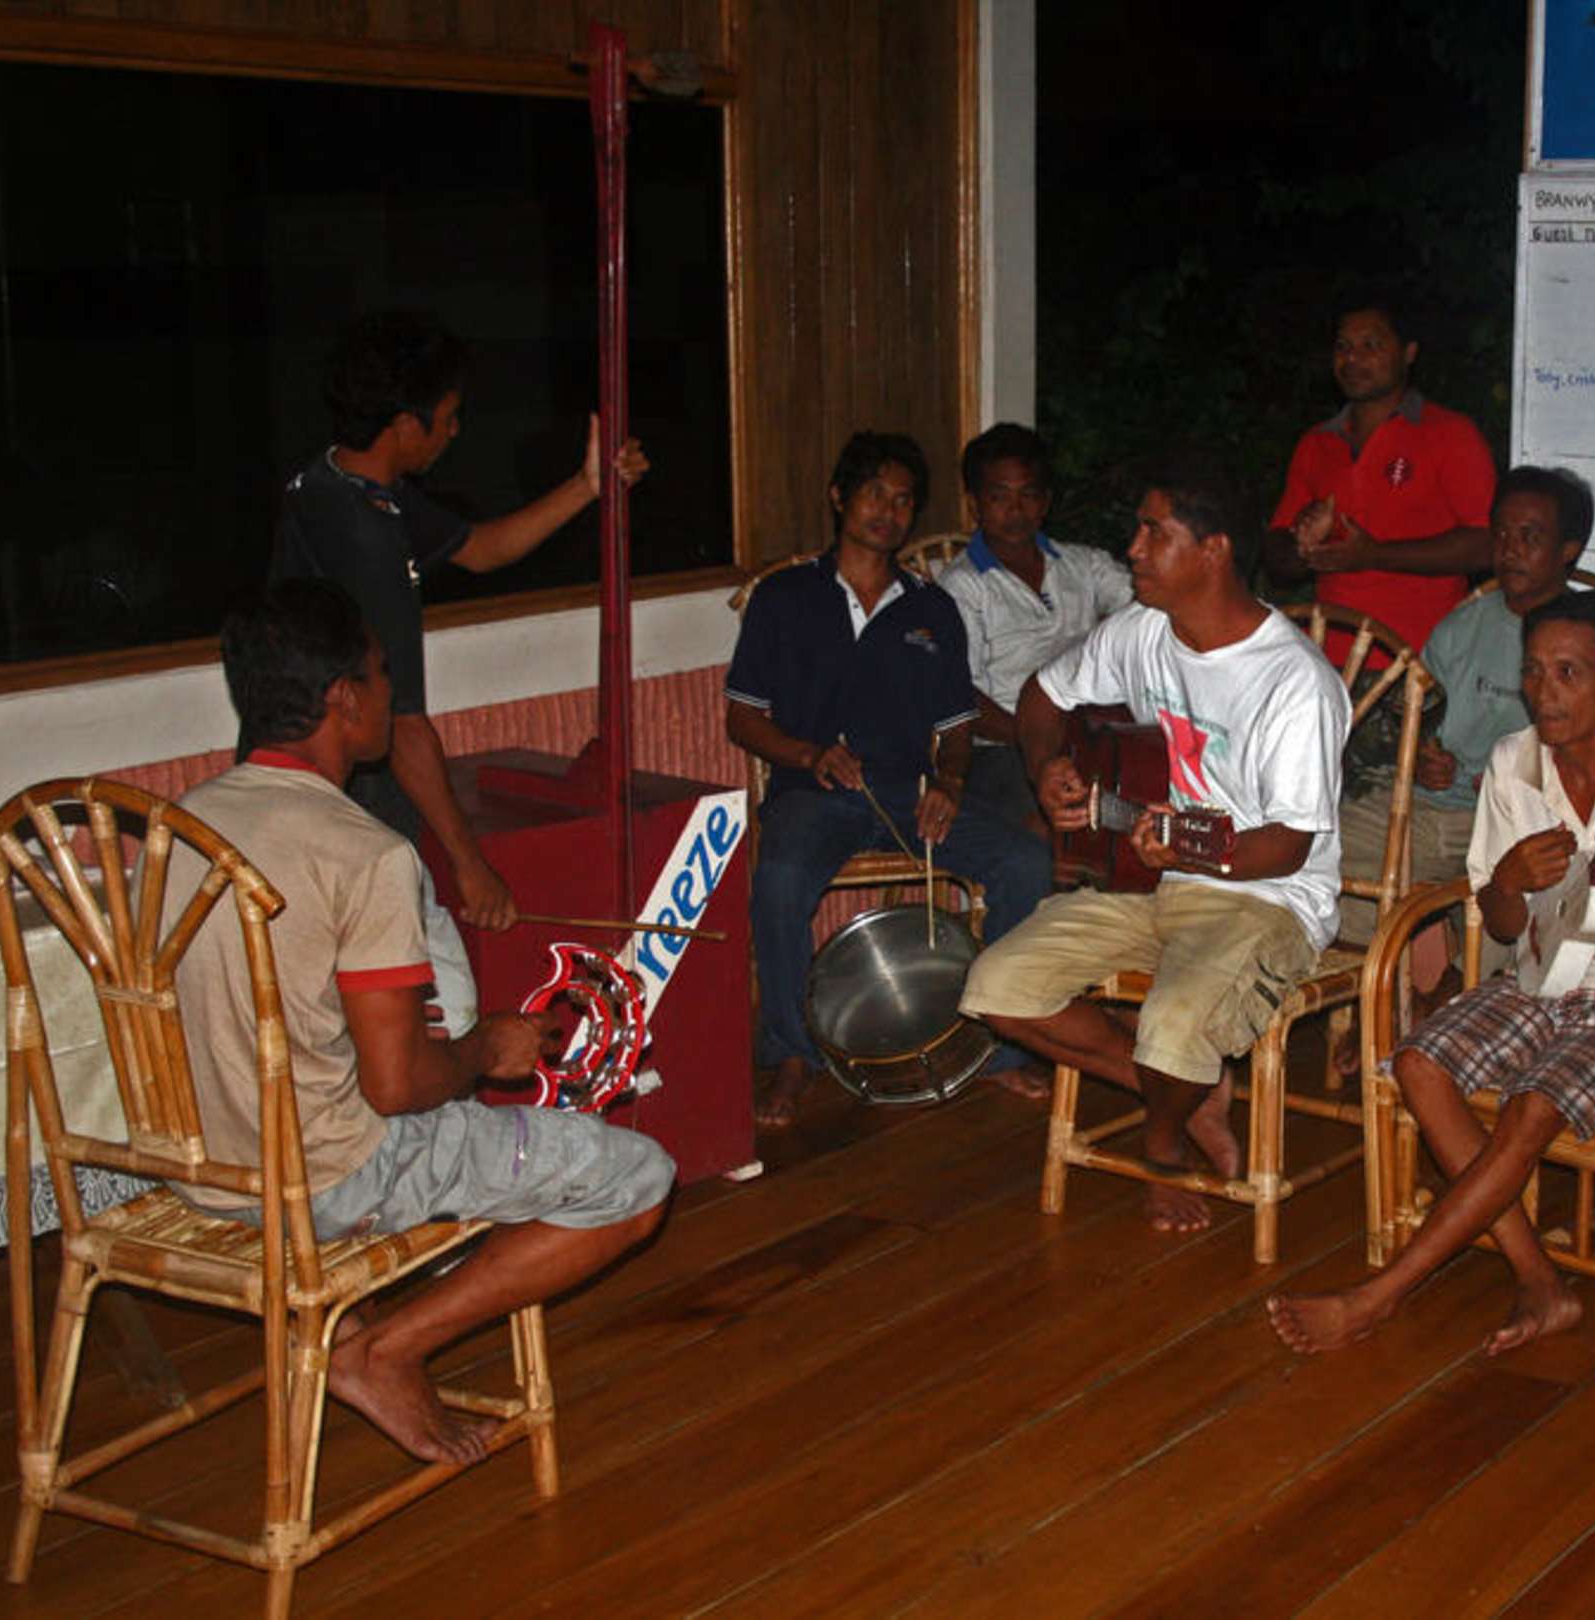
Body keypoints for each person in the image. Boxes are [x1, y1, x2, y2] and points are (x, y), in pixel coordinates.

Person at [173, 579, 674, 1466]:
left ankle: (345, 1323)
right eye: (380, 674)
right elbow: (398, 1088)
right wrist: (486, 1049)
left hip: (200, 1164)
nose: (389, 693)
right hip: (326, 1178)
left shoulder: (181, 824)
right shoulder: (364, 851)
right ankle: (384, 1350)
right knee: (637, 1179)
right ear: (344, 700)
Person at [1269, 593, 1595, 1355]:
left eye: (1569, 673)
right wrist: (1505, 880)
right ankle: (1540, 1279)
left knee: (1533, 1103)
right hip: (1543, 976)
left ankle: (1379, 1295)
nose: (1544, 692)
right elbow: (1504, 926)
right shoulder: (1514, 762)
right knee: (1418, 1062)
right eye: (1533, 671)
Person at [960, 452, 1352, 1233]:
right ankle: (1182, 1088)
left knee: (1171, 1026)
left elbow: (1288, 847)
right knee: (994, 986)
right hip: (1150, 880)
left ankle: (1164, 1142)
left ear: (1214, 551)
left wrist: (1191, 852)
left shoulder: (1294, 682)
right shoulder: (1142, 631)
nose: (1132, 549)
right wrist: (1046, 770)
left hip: (1267, 899)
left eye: (1153, 532)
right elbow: (1041, 697)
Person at [270, 308, 647, 1030]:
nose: (454, 431)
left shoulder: (341, 482)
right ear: (402, 425)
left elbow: (479, 549)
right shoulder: (365, 534)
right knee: (441, 1013)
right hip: (347, 811)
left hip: (311, 801)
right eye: (445, 417)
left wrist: (589, 485)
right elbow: (402, 723)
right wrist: (470, 864)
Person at [725, 431, 1056, 1130]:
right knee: (779, 880)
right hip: (814, 794)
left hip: (909, 795)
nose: (889, 512)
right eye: (874, 494)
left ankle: (1002, 1046)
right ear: (839, 497)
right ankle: (791, 1054)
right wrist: (809, 755)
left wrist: (951, 784)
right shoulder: (785, 597)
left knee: (1024, 860)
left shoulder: (930, 609)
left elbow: (957, 729)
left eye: (904, 501)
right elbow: (743, 721)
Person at [1334, 465, 1595, 954]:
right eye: (1502, 535)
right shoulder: (1464, 625)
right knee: (1328, 841)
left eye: (1530, 537)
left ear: (1568, 550)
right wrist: (1424, 756)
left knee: (1522, 909)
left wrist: (1508, 783)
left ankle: (1437, 976)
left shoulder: (1585, 640)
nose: (1510, 550)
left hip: (1519, 820)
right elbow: (1419, 717)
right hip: (1430, 806)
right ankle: (1367, 981)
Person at [1264, 298, 1501, 654]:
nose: (1352, 359)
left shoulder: (1449, 433)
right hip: (1329, 656)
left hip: (1422, 659)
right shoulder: (1317, 443)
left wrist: (1374, 555)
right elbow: (1276, 559)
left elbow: (1487, 544)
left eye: (1370, 345)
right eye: (1343, 347)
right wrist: (1303, 546)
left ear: (1408, 353)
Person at [934, 422, 1134, 836]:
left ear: (1046, 502)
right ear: (974, 504)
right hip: (1003, 750)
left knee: (1143, 802)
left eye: (1028, 495)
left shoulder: (1082, 564)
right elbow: (959, 697)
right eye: (999, 496)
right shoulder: (962, 586)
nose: (1015, 510)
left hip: (1092, 738)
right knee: (1057, 825)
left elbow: (1147, 608)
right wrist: (1039, 740)